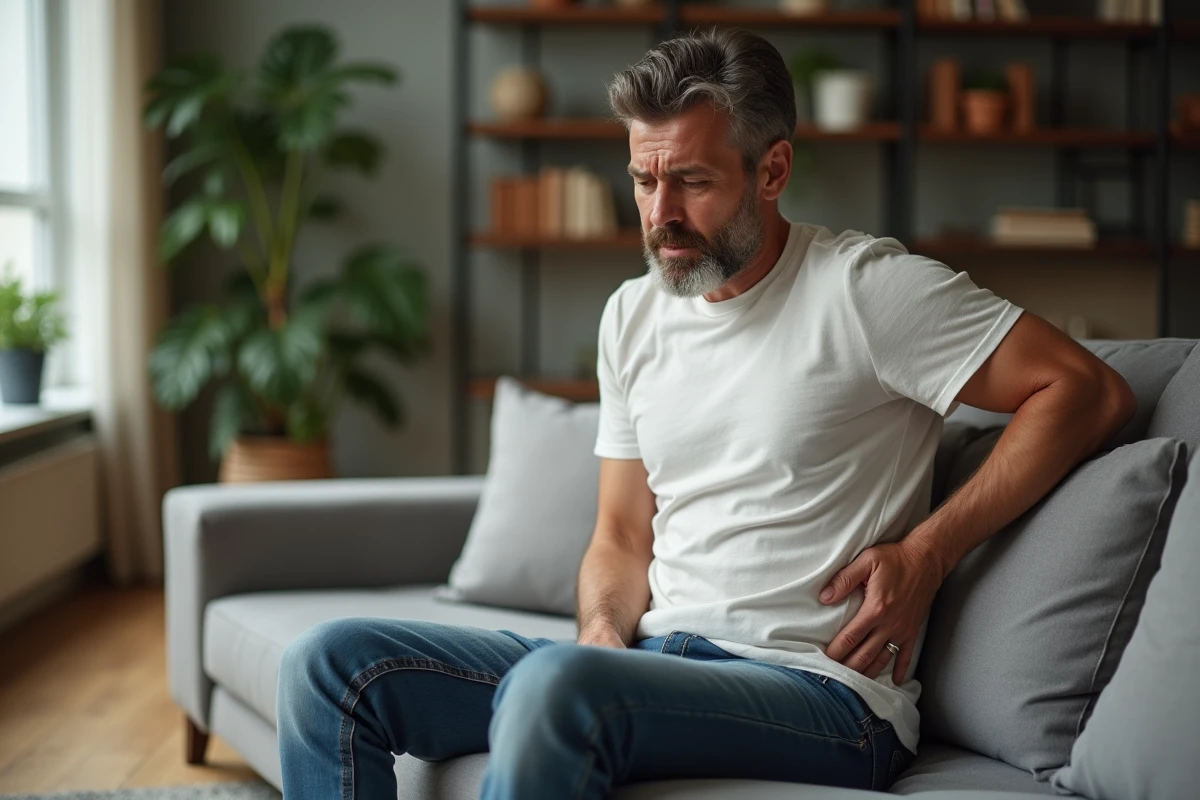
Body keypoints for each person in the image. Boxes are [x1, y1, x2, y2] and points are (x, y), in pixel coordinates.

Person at [276, 27, 1135, 800]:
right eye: (643, 180)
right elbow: (620, 535)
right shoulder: (633, 314)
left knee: (555, 691)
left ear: (773, 170)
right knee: (330, 666)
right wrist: (602, 633)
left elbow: (1086, 390)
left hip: (821, 696)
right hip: (649, 668)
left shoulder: (866, 290)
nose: (659, 216)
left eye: (690, 180)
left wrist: (929, 551)